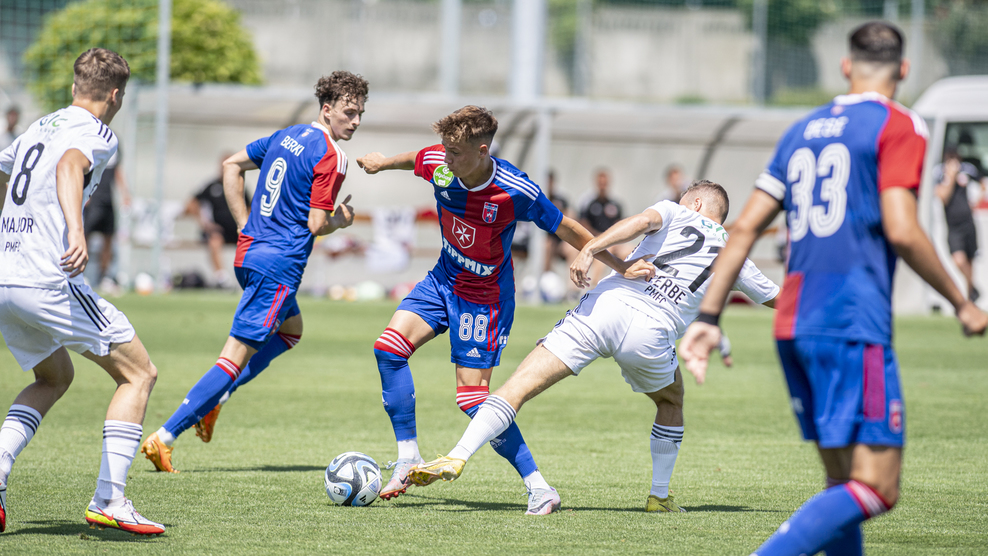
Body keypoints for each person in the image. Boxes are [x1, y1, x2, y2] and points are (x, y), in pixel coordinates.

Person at [678, 22, 987, 556]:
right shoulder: (900, 124)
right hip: (851, 320)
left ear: (846, 67)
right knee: (877, 488)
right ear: (904, 69)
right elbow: (902, 228)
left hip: (793, 324)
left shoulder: (802, 129)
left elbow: (744, 227)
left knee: (840, 485)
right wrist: (964, 300)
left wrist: (708, 318)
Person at [407, 181, 778, 513]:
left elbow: (638, 223)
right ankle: (659, 497)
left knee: (515, 388)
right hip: (652, 334)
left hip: (605, 307)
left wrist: (591, 248)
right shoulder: (736, 255)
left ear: (695, 204)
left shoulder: (673, 210)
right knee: (671, 401)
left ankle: (457, 456)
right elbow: (776, 297)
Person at [355, 106, 637, 513]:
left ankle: (539, 487)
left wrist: (618, 265)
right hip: (442, 280)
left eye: (454, 152)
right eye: (444, 149)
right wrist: (382, 163)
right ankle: (407, 456)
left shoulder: (514, 190)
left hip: (484, 298)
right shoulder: (441, 164)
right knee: (388, 349)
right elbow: (417, 157)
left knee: (472, 398)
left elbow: (567, 228)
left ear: (482, 151)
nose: (445, 158)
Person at [140, 71, 366, 472]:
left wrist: (244, 224)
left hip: (249, 256)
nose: (356, 121)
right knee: (233, 357)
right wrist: (342, 220)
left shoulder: (286, 135)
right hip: (278, 267)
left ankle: (218, 399)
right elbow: (317, 224)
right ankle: (165, 436)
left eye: (361, 113)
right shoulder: (333, 156)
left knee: (291, 331)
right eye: (349, 112)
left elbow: (232, 165)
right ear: (327, 109)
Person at [0, 48, 164, 535]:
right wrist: (75, 229)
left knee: (53, 377)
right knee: (139, 374)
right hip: (48, 278)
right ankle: (110, 499)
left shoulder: (38, 126)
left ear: (74, 87)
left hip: (7, 275)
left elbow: (4, 172)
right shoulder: (97, 132)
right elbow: (71, 165)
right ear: (116, 96)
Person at [184, 153, 248, 288]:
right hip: (218, 231)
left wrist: (246, 224)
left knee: (253, 241)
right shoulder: (212, 186)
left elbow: (251, 207)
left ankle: (249, 279)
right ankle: (221, 279)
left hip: (238, 229)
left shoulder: (241, 186)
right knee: (214, 240)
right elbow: (191, 205)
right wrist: (204, 223)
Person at [933, 150, 981, 301]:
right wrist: (951, 177)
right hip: (953, 226)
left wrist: (976, 202)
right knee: (959, 260)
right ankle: (972, 288)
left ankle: (970, 298)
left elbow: (982, 184)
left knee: (970, 261)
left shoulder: (967, 171)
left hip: (968, 223)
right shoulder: (940, 174)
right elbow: (943, 197)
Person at [83, 148, 129, 290]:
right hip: (93, 199)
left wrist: (125, 192)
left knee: (108, 238)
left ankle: (104, 277)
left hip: (108, 199)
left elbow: (117, 170)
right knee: (85, 237)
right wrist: (83, 192)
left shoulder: (115, 144)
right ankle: (79, 275)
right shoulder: (93, 140)